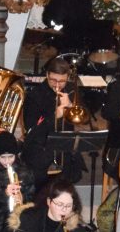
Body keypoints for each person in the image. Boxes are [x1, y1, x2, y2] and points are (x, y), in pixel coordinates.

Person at [21, 57, 85, 189]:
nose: (57, 85)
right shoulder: (35, 96)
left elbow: (84, 117)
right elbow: (32, 131)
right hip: (40, 146)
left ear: (67, 77)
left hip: (64, 146)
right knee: (39, 175)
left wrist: (71, 106)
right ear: (47, 75)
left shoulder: (71, 91)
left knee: (74, 171)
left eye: (62, 81)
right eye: (53, 80)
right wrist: (55, 116)